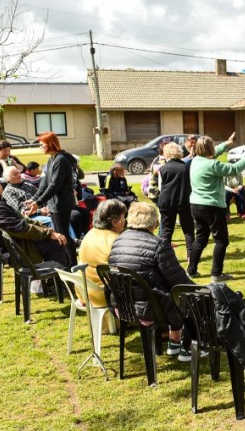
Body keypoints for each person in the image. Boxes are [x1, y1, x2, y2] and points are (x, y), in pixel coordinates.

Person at [107, 202, 195, 361]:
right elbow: (179, 281)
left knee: (165, 289)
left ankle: (174, 343)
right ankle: (188, 347)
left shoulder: (118, 241)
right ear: (155, 223)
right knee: (189, 298)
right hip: (149, 309)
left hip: (122, 307)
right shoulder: (159, 245)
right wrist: (200, 291)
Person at [189, 133, 245, 281]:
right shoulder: (212, 165)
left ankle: (191, 270)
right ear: (210, 149)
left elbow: (213, 153)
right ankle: (216, 274)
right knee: (221, 241)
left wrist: (226, 144)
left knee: (200, 239)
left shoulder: (195, 161)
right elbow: (234, 169)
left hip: (196, 206)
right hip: (212, 207)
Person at [0, 175, 69, 267]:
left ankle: (49, 279)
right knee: (57, 243)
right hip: (15, 251)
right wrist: (48, 234)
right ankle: (56, 280)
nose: (2, 185)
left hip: (13, 246)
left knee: (53, 237)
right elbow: (20, 228)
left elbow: (21, 220)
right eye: (0, 184)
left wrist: (47, 230)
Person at [25, 132, 79, 267]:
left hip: (62, 204)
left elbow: (55, 185)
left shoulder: (61, 160)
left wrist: (38, 202)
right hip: (54, 204)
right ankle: (69, 263)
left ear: (50, 144)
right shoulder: (51, 159)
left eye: (42, 144)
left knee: (63, 234)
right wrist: (35, 199)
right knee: (61, 233)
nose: (40, 147)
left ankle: (72, 265)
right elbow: (45, 183)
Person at [78, 199, 127, 307]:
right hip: (104, 296)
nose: (125, 220)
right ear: (114, 222)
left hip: (84, 291)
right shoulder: (116, 241)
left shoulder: (90, 234)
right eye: (123, 217)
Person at [157, 142, 194, 259]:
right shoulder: (187, 167)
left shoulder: (162, 169)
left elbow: (160, 187)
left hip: (167, 201)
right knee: (188, 230)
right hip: (184, 200)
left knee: (166, 230)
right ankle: (191, 256)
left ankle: (165, 257)